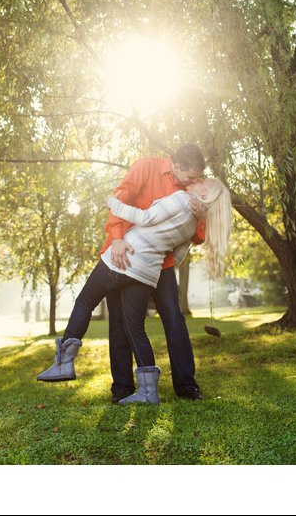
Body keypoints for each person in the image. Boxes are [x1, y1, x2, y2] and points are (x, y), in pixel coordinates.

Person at [37, 177, 232, 405]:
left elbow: (146, 217)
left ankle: (63, 364)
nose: (197, 181)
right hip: (147, 272)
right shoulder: (192, 225)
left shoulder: (180, 199)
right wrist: (151, 256)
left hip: (124, 258)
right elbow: (176, 257)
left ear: (206, 194)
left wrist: (113, 203)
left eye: (202, 182)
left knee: (85, 301)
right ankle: (148, 392)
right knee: (135, 328)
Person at [104, 145, 208, 403]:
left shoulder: (190, 191)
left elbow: (196, 237)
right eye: (191, 177)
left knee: (174, 319)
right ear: (176, 165)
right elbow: (120, 199)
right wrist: (116, 238)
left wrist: (201, 216)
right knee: (120, 321)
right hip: (126, 254)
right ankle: (122, 388)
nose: (194, 182)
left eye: (197, 179)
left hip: (161, 264)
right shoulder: (145, 167)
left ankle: (186, 386)